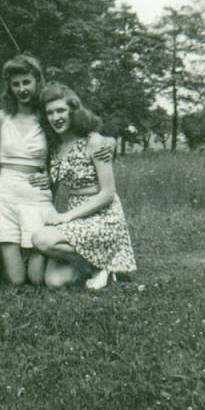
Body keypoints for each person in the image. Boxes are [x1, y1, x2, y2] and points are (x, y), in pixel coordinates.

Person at [32, 82, 136, 290]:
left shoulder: (94, 142)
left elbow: (107, 193)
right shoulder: (54, 147)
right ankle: (103, 267)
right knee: (54, 281)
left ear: (73, 110)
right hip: (76, 215)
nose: (56, 117)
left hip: (102, 216)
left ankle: (104, 266)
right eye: (50, 113)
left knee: (41, 239)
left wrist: (67, 217)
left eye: (61, 110)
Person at [0, 54, 55, 285]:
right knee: (15, 281)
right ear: (10, 87)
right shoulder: (2, 116)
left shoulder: (47, 116)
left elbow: (71, 142)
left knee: (37, 280)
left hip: (36, 194)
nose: (22, 89)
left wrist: (51, 177)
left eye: (27, 82)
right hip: (6, 193)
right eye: (16, 84)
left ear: (37, 81)